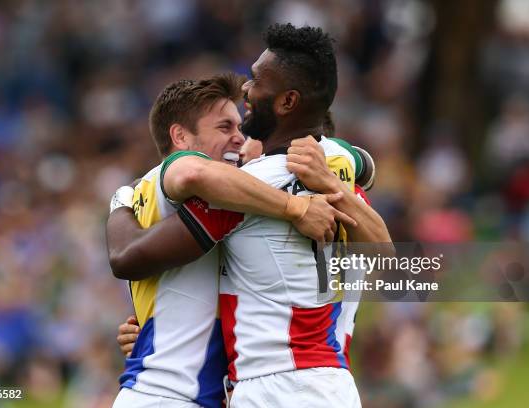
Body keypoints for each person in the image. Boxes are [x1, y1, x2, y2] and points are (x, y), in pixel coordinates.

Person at [108, 23, 392, 408]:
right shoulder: (337, 170)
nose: (246, 89)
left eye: (256, 81)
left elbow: (131, 257)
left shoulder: (246, 188)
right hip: (331, 385)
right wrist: (156, 324)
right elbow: (390, 264)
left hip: (276, 389)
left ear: (287, 102)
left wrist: (121, 203)